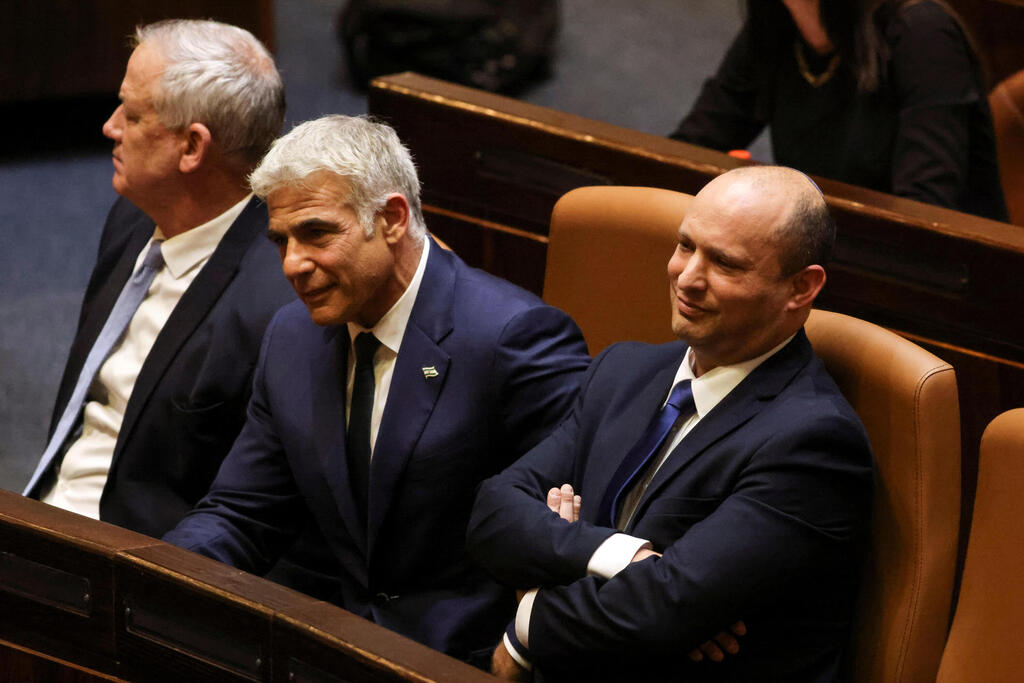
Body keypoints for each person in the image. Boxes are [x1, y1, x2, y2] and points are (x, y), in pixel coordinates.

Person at [163, 115, 590, 666]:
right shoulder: (292, 336)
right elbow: (245, 513)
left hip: (469, 660)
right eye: (281, 241)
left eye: (317, 233)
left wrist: (523, 645)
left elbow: (572, 525)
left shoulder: (514, 337)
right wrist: (155, 573)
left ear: (391, 218)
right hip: (334, 642)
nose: (292, 264)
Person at [467, 166, 875, 681]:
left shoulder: (814, 442)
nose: (687, 276)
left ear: (801, 287)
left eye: (724, 263)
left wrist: (528, 616)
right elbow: (492, 514)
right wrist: (621, 557)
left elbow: (661, 610)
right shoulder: (623, 371)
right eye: (686, 246)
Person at [21, 19, 294, 537]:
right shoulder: (134, 215)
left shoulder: (277, 304)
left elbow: (253, 517)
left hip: (126, 563)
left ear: (192, 147)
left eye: (131, 113)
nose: (109, 126)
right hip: (44, 515)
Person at [670, 0, 1008, 222]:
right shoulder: (775, 25)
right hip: (820, 264)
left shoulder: (923, 34)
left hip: (936, 293)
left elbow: (926, 215)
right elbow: (688, 151)